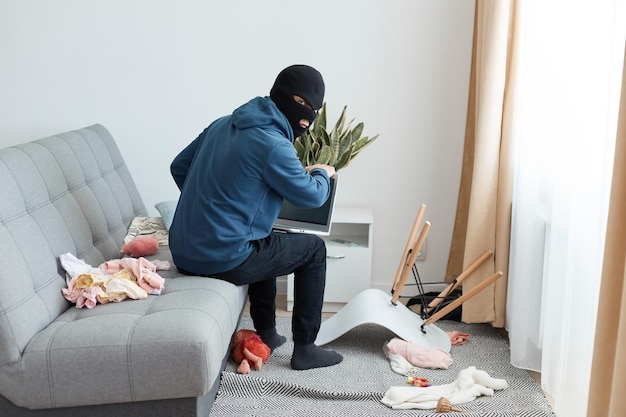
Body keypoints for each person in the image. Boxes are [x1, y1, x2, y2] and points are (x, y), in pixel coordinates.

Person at [168, 64, 343, 370]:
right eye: (308, 112)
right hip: (221, 258)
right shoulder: (274, 144)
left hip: (183, 252)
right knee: (313, 250)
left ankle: (268, 333)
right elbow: (312, 196)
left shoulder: (223, 124)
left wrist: (212, 208)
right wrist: (321, 172)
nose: (307, 121)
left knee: (265, 237)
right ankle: (306, 348)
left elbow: (179, 166)